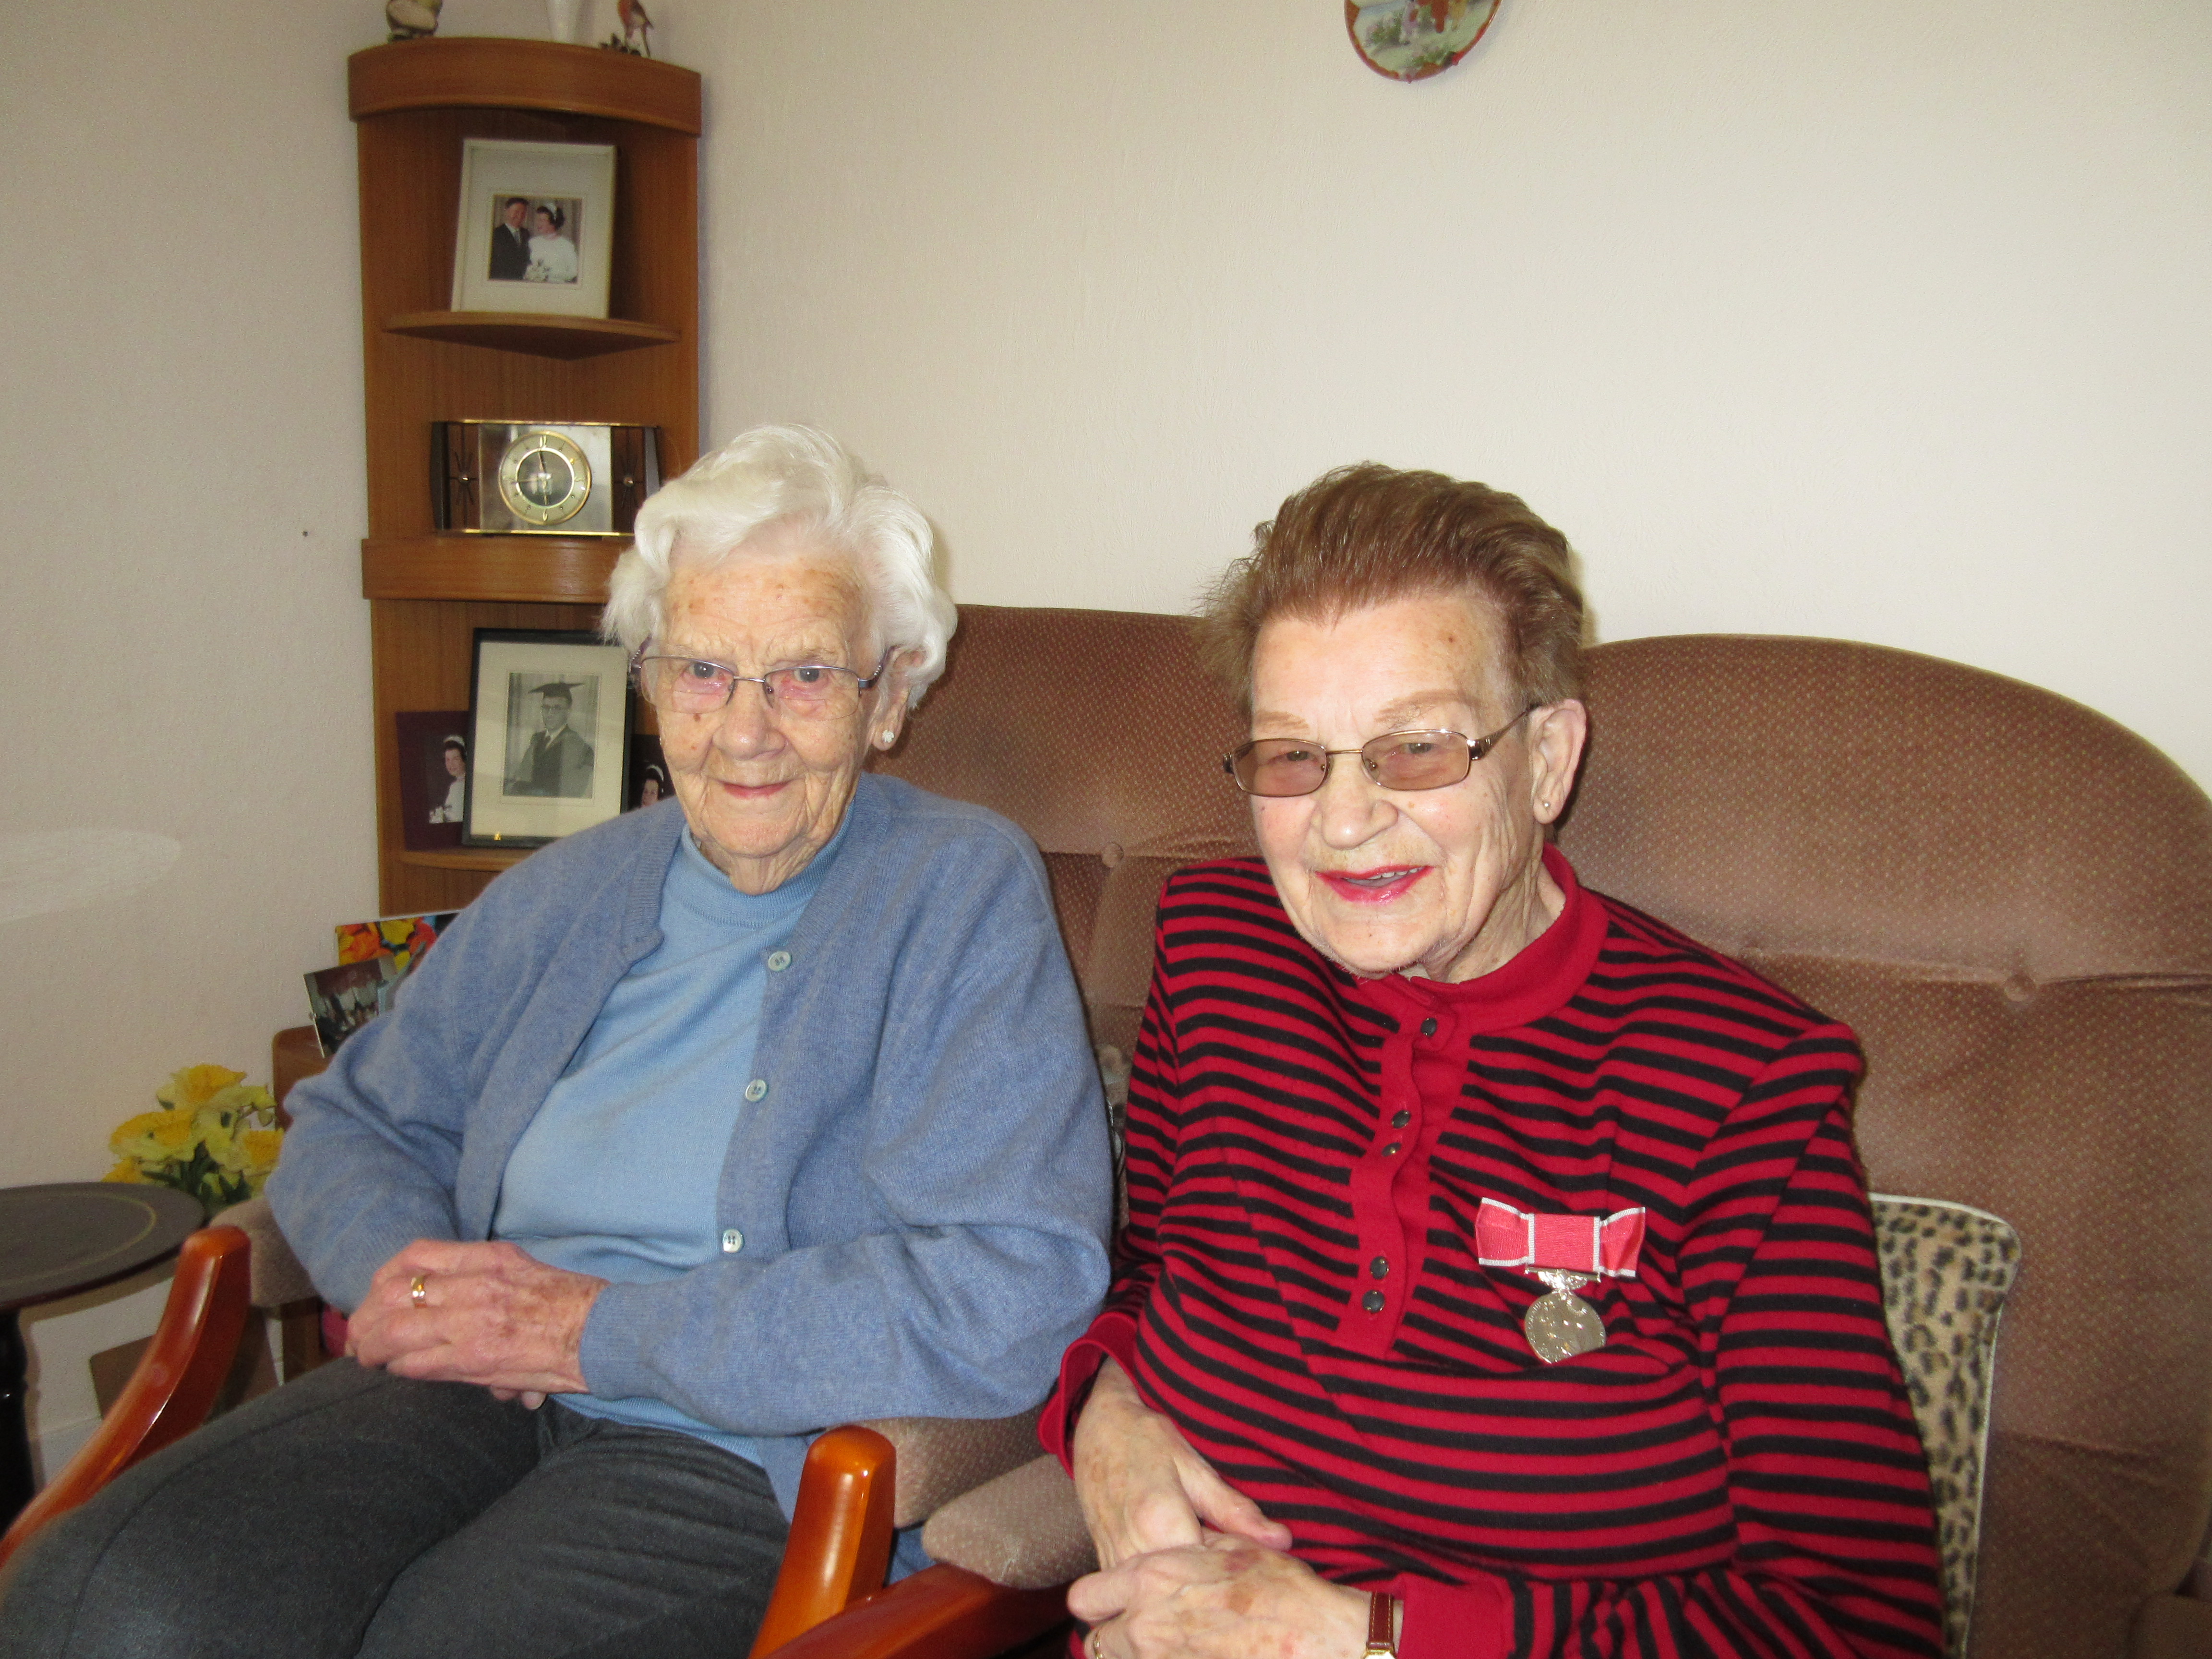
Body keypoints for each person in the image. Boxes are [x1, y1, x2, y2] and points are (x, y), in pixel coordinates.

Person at [0, 425, 1114, 1659]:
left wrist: (595, 1327)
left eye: (803, 674)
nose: (744, 730)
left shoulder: (959, 889)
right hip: (474, 1386)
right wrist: (411, 1282)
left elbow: (1014, 1281)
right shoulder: (572, 885)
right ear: (649, 683)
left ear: (891, 693)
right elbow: (355, 1117)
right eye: (700, 670)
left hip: (734, 1446)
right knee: (101, 1594)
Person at [1042, 464, 1945, 1659]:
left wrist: (1369, 1635)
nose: (1345, 817)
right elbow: (1150, 1263)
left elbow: (1859, 1623)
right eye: (1291, 755)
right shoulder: (1218, 951)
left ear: (1550, 757)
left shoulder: (1743, 1083)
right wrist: (1104, 1409)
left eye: (1415, 748)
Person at [508, 680, 593, 796]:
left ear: (569, 712)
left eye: (557, 708)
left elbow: (569, 792)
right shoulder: (537, 740)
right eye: (546, 707)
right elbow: (523, 775)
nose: (550, 714)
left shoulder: (579, 747)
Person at [526, 203, 579, 284]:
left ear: (553, 222)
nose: (538, 223)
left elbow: (574, 272)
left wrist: (548, 275)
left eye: (542, 220)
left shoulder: (566, 245)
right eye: (538, 220)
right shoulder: (532, 243)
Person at [487, 195, 531, 281]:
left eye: (523, 213)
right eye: (516, 212)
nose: (520, 216)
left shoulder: (527, 234)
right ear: (506, 211)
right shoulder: (495, 234)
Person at [429, 734, 466, 823]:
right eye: (448, 760)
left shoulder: (464, 786)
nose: (451, 764)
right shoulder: (455, 785)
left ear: (464, 759)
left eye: (456, 759)